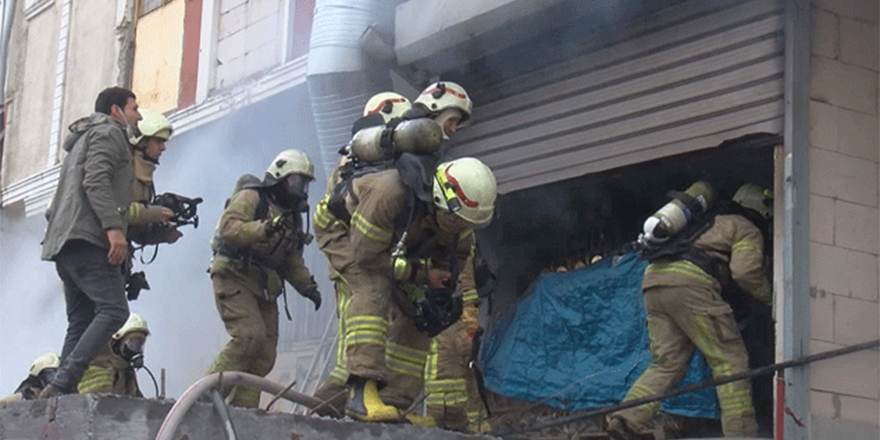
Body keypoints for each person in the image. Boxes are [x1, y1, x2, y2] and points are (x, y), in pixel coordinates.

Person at [313, 153, 496, 423]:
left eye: (470, 223)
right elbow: (367, 258)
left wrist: (437, 293)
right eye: (458, 220)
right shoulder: (389, 193)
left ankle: (394, 401)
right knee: (373, 289)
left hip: (387, 248)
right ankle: (361, 391)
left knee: (419, 313)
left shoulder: (460, 225)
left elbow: (450, 266)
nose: (463, 228)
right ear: (439, 200)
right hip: (344, 233)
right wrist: (418, 273)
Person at [606, 183, 774, 439]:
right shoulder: (745, 227)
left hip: (653, 282)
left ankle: (627, 419)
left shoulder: (700, 222)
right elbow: (745, 272)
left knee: (665, 364)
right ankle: (741, 434)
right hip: (691, 285)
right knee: (730, 362)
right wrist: (771, 299)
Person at [311, 91, 412, 416]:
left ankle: (328, 405)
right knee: (370, 295)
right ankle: (357, 398)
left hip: (361, 240)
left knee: (364, 334)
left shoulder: (378, 159)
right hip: (346, 240)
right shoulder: (358, 158)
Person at [39, 86, 142, 398]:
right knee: (114, 311)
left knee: (81, 321)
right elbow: (96, 181)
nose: (138, 114)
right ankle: (62, 382)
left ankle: (59, 390)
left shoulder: (83, 139)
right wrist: (113, 230)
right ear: (115, 110)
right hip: (88, 241)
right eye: (134, 107)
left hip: (65, 245)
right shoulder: (110, 134)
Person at [206, 149, 322, 408]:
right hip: (234, 275)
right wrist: (264, 228)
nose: (300, 188)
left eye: (304, 183)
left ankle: (243, 411)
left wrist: (308, 287)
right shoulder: (252, 197)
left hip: (265, 286)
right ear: (280, 176)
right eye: (296, 181)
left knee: (265, 354)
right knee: (249, 337)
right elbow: (228, 228)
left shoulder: (292, 218)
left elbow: (291, 259)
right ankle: (204, 397)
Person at [77, 313, 150, 397]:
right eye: (132, 342)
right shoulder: (98, 369)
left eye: (140, 344)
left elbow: (137, 403)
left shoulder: (126, 371)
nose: (136, 349)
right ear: (116, 342)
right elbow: (98, 405)